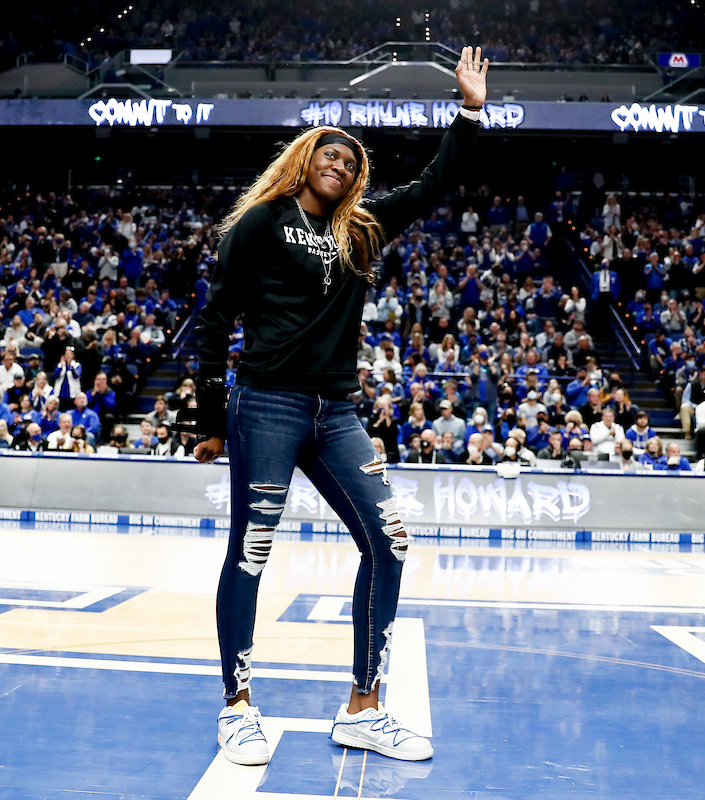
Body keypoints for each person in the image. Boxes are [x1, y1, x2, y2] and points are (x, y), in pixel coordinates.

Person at [188, 46, 488, 768]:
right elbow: (215, 319)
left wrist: (469, 115)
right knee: (252, 551)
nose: (342, 164)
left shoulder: (363, 227)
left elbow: (432, 184)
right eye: (329, 154)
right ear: (303, 161)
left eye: (352, 161)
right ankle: (236, 707)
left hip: (339, 414)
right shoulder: (261, 222)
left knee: (389, 541)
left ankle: (364, 707)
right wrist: (205, 421)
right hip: (264, 405)